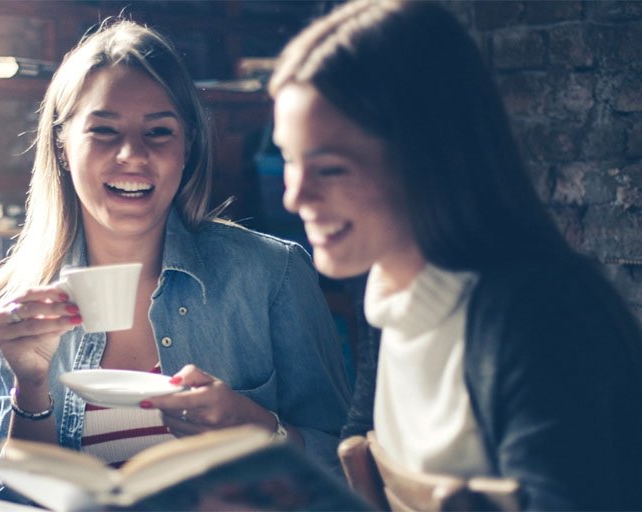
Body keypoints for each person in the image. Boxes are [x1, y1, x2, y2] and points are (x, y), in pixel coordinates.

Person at [270, 0, 642, 509]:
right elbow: (361, 462)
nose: (294, 197)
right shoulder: (388, 290)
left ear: (427, 159)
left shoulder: (544, 319)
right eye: (289, 158)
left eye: (330, 168)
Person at [0, 19, 351, 500]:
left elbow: (348, 471)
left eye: (159, 132)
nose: (132, 154)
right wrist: (31, 385)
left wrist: (257, 429)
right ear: (62, 147)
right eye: (103, 131)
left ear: (188, 144)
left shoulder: (273, 276)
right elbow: (9, 505)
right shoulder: (5, 307)